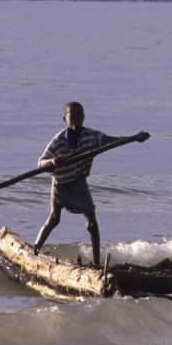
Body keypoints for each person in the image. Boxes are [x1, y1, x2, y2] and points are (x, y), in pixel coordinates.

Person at [33, 101, 149, 264]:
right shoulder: (58, 140)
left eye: (79, 116)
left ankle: (96, 263)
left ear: (84, 118)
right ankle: (35, 250)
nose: (76, 120)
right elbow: (40, 163)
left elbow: (111, 141)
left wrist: (134, 138)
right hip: (60, 184)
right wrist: (53, 161)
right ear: (64, 119)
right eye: (72, 116)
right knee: (54, 218)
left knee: (92, 223)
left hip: (78, 183)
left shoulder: (91, 136)